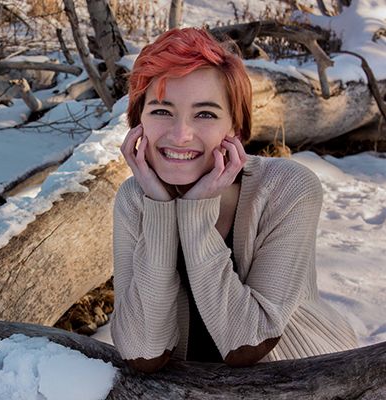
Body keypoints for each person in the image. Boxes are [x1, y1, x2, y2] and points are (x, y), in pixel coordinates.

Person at [110, 27, 358, 372]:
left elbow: (248, 341)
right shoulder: (135, 199)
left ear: (236, 130)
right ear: (138, 124)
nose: (180, 135)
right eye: (161, 111)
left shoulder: (287, 187)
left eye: (206, 114)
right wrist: (161, 208)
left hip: (305, 376)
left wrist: (195, 215)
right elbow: (142, 352)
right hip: (185, 389)